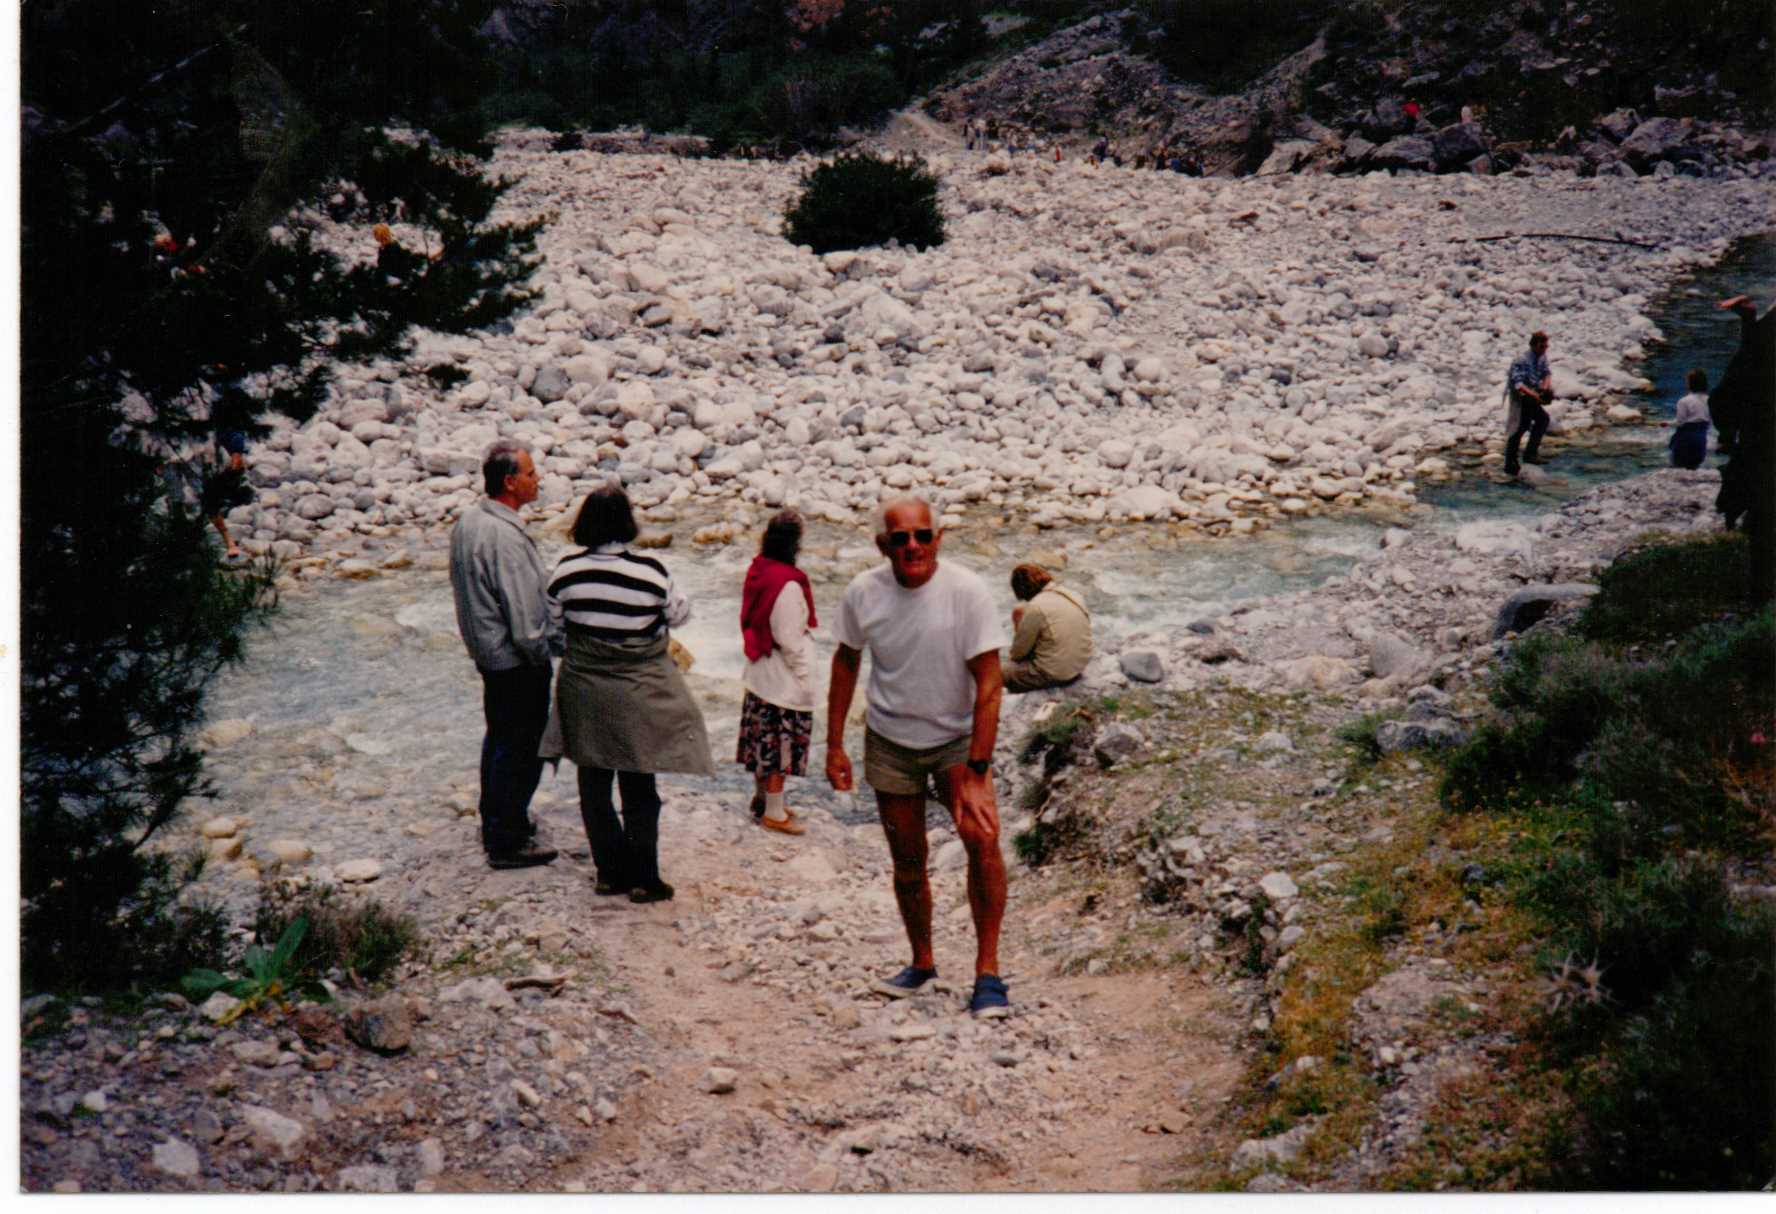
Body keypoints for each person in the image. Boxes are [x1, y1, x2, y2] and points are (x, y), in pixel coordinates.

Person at [825, 494, 1012, 1020]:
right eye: (900, 538)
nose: (913, 546)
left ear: (938, 538)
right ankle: (922, 963)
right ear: (882, 544)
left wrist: (977, 769)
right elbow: (846, 661)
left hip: (955, 740)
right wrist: (835, 742)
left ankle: (988, 973)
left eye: (922, 535)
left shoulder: (967, 592)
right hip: (889, 740)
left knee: (983, 839)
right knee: (908, 862)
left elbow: (990, 682)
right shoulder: (864, 592)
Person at [544, 484, 713, 902]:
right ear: (627, 524)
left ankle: (608, 871)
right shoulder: (651, 572)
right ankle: (644, 878)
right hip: (637, 689)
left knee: (593, 782)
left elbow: (552, 633)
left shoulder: (564, 572)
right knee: (639, 782)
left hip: (584, 688)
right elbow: (680, 614)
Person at [449, 441, 562, 870]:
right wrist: (544, 654)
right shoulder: (504, 536)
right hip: (516, 660)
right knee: (522, 745)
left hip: (489, 654)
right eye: (532, 474)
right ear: (510, 482)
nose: (538, 481)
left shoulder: (470, 521)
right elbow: (525, 615)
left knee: (499, 739)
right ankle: (508, 838)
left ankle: (497, 820)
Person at [738, 510, 818, 837]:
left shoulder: (760, 570)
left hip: (759, 671)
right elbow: (789, 638)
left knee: (762, 742)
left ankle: (762, 800)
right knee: (779, 746)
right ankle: (774, 812)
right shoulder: (787, 584)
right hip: (780, 678)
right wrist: (807, 679)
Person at [1711, 295, 1775, 601]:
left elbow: (1724, 399)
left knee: (1762, 532)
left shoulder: (1759, 344)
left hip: (1762, 450)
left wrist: (1728, 433)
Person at [1004, 564, 1093, 693]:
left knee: (995, 672)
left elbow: (1018, 653)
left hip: (1054, 674)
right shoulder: (1072, 595)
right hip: (1079, 666)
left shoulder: (1036, 607)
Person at [1504, 330, 1554, 477]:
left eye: (1546, 346)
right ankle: (1510, 462)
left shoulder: (1542, 357)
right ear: (1533, 345)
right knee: (1519, 427)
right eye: (1542, 346)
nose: (1544, 349)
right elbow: (1518, 384)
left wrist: (1544, 389)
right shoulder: (1521, 360)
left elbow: (1546, 373)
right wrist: (1535, 396)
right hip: (1520, 396)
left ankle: (1530, 454)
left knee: (1542, 420)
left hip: (1533, 393)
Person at [201, 426, 252, 564]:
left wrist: (236, 454)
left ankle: (229, 541)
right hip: (185, 460)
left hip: (212, 463)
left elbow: (235, 434)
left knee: (211, 503)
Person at [1668, 368, 1712, 470]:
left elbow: (1680, 422)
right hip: (1701, 439)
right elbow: (1710, 421)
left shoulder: (1684, 401)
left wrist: (1667, 423)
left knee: (1677, 467)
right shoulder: (1710, 400)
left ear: (1689, 383)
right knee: (1693, 467)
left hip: (1685, 439)